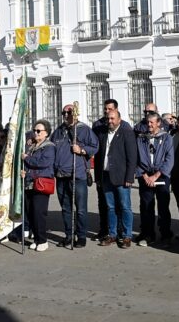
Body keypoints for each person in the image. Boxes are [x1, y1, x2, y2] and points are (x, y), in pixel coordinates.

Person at [51, 104, 98, 248]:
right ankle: (69, 235)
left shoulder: (83, 129)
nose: (66, 115)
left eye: (69, 112)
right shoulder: (59, 131)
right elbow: (51, 147)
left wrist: (81, 150)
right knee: (66, 208)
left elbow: (95, 147)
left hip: (77, 175)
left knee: (81, 209)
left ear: (75, 113)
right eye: (64, 113)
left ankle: (81, 236)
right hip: (61, 175)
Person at [95, 110, 138, 248]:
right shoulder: (103, 133)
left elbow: (132, 157)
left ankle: (127, 236)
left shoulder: (126, 133)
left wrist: (130, 176)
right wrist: (98, 177)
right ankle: (112, 234)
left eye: (113, 118)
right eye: (108, 119)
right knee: (110, 207)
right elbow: (99, 157)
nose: (110, 121)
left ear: (119, 119)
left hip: (122, 177)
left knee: (125, 207)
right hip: (106, 176)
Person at [135, 111, 174, 248]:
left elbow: (169, 159)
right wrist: (144, 175)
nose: (149, 125)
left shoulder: (167, 138)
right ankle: (148, 234)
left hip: (161, 176)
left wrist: (156, 175)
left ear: (158, 123)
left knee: (163, 207)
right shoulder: (141, 138)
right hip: (145, 176)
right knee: (146, 206)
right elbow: (136, 158)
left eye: (152, 122)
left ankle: (165, 235)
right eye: (148, 122)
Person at [23, 119, 56, 251]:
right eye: (34, 130)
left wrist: (26, 158)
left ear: (46, 133)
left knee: (39, 212)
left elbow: (42, 163)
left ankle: (43, 240)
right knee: (30, 212)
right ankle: (36, 239)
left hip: (41, 183)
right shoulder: (32, 146)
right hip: (29, 183)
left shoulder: (49, 147)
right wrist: (25, 171)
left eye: (38, 131)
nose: (35, 133)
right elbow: (29, 164)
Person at [92, 98, 118, 240]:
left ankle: (117, 230)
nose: (107, 111)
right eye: (105, 109)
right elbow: (94, 147)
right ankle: (103, 229)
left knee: (117, 202)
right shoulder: (98, 125)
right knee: (102, 201)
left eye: (110, 109)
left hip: (116, 170)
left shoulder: (121, 125)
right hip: (101, 169)